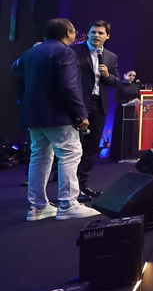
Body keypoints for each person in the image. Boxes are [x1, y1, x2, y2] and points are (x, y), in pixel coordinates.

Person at [13, 18, 101, 221]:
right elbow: (69, 87)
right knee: (70, 153)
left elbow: (15, 67)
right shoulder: (65, 52)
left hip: (33, 114)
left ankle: (37, 207)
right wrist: (80, 114)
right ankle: (68, 204)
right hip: (58, 115)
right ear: (69, 33)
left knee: (39, 157)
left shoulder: (30, 52)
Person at [71, 20, 120, 201]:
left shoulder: (111, 57)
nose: (96, 36)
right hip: (79, 103)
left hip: (99, 104)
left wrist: (107, 75)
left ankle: (83, 185)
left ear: (107, 36)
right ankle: (70, 188)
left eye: (100, 33)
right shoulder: (75, 51)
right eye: (93, 32)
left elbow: (117, 82)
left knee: (91, 147)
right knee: (74, 146)